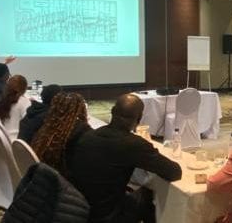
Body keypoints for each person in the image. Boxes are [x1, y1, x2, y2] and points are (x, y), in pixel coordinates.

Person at [67, 94, 182, 223]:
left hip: (78, 209)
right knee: (148, 194)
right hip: (107, 215)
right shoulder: (133, 144)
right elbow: (174, 172)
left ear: (112, 112)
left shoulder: (88, 136)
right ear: (139, 120)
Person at [29, 92, 92, 178]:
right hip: (64, 184)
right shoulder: (81, 131)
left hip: (43, 180)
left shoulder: (45, 127)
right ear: (81, 110)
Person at [0, 75, 31, 139]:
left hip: (1, 138)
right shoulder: (24, 102)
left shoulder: (1, 100)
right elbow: (28, 124)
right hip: (16, 140)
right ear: (24, 88)